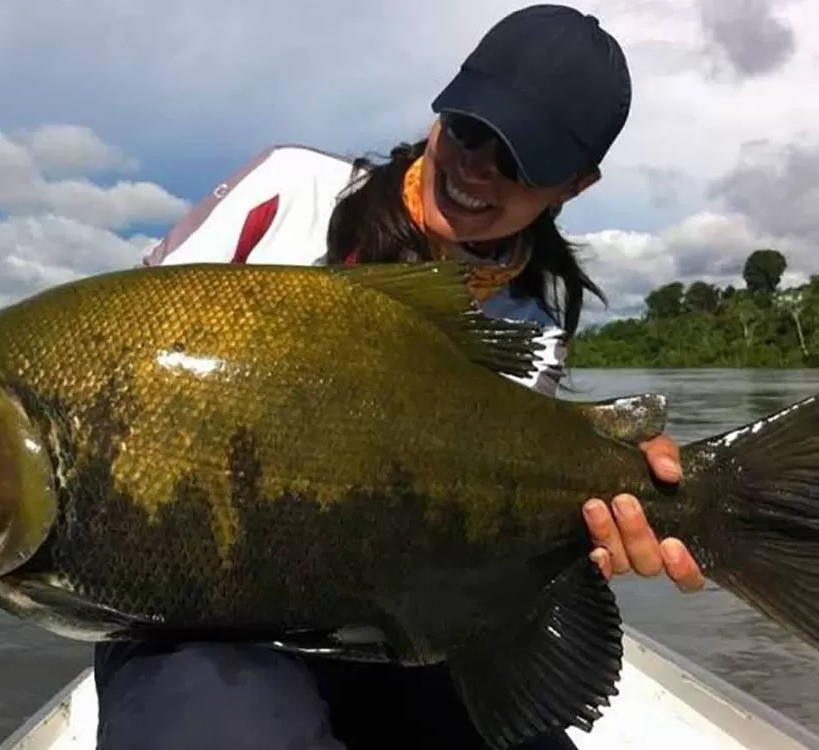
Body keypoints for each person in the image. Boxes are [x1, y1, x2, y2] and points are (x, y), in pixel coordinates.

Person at [95, 5, 705, 749]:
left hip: (389, 617)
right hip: (194, 610)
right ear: (442, 107)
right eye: (470, 129)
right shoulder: (286, 192)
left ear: (574, 185)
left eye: (521, 160)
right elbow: (118, 357)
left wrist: (618, 484)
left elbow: (495, 503)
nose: (477, 167)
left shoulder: (533, 318)